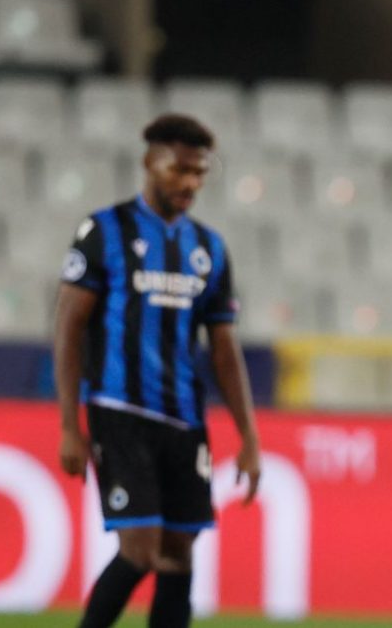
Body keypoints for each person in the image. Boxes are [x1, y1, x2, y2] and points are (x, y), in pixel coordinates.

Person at [54, 114, 262, 628]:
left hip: (185, 420)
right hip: (120, 410)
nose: (190, 183)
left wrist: (249, 435)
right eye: (179, 170)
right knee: (140, 550)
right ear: (150, 162)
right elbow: (69, 328)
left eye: (199, 173)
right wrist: (68, 425)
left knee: (178, 555)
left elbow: (223, 349)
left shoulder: (209, 249)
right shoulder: (104, 231)